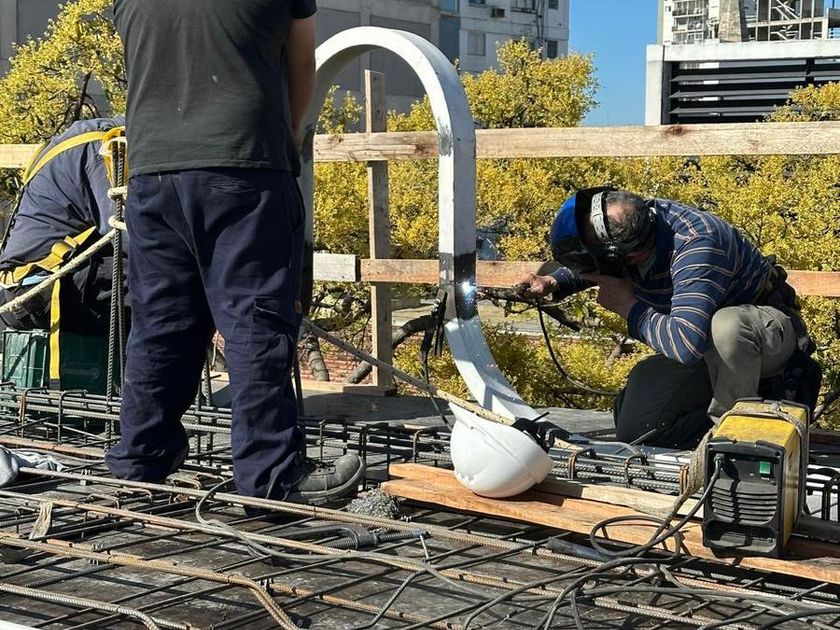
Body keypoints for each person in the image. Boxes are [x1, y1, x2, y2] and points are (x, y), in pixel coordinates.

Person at [106, 1, 364, 506]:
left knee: (161, 323)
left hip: (154, 170)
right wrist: (289, 133)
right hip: (245, 161)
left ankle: (139, 462)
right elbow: (303, 62)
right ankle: (271, 475)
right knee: (255, 320)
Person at [520, 187, 820, 449]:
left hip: (762, 336)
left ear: (630, 256)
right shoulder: (635, 229)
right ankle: (707, 428)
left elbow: (685, 346)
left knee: (727, 325)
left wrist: (629, 307)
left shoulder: (697, 243)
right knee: (639, 429)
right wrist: (553, 281)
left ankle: (731, 442)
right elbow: (599, 261)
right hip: (701, 341)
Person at [0, 116, 126, 337]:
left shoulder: (85, 138)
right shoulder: (104, 147)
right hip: (38, 291)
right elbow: (125, 234)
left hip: (30, 285)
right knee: (161, 277)